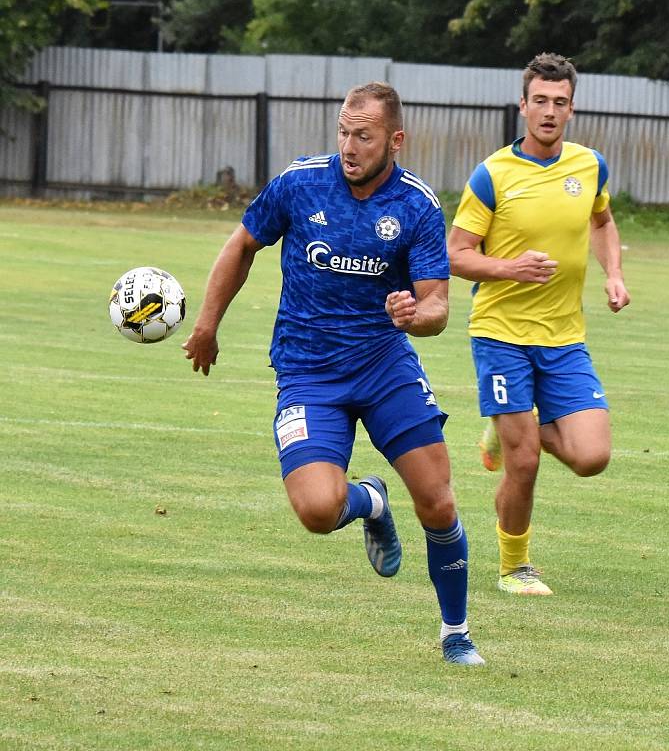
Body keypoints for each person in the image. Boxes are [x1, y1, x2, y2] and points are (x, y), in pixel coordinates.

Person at [183, 82, 484, 666]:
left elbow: (438, 307)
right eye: (343, 132)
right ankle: (370, 501)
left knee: (437, 502)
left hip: (382, 366)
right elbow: (243, 243)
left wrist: (414, 315)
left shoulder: (417, 206)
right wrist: (207, 323)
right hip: (307, 372)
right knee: (318, 511)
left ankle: (456, 634)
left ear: (395, 140)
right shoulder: (300, 183)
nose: (349, 145)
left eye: (363, 135)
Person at [447, 53, 630, 597]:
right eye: (540, 101)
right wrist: (511, 268)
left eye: (560, 102)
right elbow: (456, 254)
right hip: (500, 332)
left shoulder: (589, 165)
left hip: (564, 337)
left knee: (591, 457)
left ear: (572, 109)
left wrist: (613, 274)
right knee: (524, 462)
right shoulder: (493, 174)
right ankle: (514, 566)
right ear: (523, 105)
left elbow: (603, 221)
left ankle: (506, 430)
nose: (549, 112)